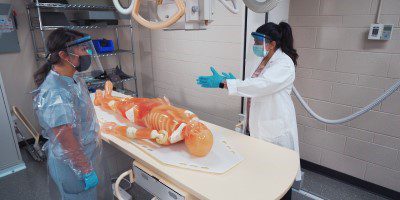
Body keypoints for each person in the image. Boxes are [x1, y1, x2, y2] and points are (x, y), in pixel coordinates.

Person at [197, 22, 301, 190]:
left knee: (279, 176)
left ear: (272, 44)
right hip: (257, 123)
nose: (255, 45)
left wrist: (226, 84)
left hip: (274, 128)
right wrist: (236, 81)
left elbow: (261, 86)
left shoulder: (284, 64)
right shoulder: (263, 60)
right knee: (262, 173)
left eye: (258, 42)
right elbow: (253, 85)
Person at [32, 28, 112, 199]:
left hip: (85, 153)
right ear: (64, 55)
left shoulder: (73, 78)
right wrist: (85, 169)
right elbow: (65, 137)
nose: (87, 53)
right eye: (82, 49)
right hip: (73, 166)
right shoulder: (55, 92)